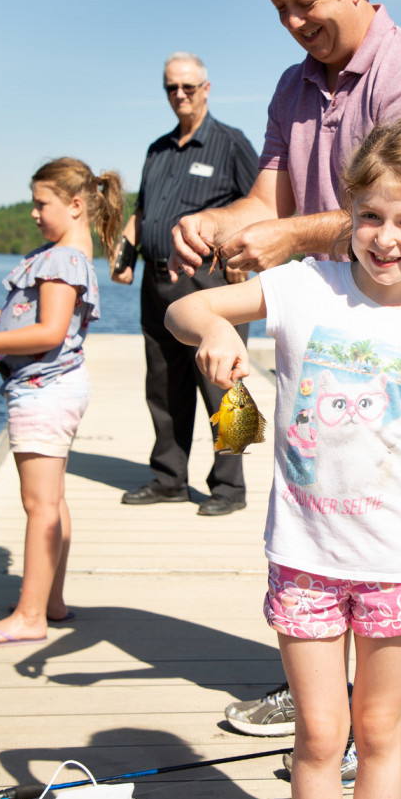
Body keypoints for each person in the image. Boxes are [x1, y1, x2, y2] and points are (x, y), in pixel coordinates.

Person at [168, 0, 401, 774]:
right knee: (335, 495)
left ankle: (400, 723)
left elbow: (400, 206)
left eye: (306, 3)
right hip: (334, 323)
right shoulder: (293, 86)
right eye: (280, 9)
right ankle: (332, 698)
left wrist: (292, 238)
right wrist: (214, 221)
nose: (293, 23)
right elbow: (269, 205)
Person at [0, 157, 124, 647]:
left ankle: (30, 616)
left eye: (40, 203)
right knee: (53, 501)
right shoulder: (63, 255)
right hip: (53, 388)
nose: (33, 213)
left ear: (73, 205)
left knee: (39, 505)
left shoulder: (63, 260)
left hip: (44, 393)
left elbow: (47, 333)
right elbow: (32, 322)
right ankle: (51, 601)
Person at [114, 52, 259, 516]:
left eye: (188, 87)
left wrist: (242, 262)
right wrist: (125, 254)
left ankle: (229, 488)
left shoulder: (231, 143)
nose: (179, 95)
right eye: (171, 88)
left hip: (210, 286)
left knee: (225, 387)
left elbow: (260, 208)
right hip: (155, 285)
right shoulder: (157, 149)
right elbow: (143, 212)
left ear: (207, 89)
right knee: (163, 386)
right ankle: (168, 478)